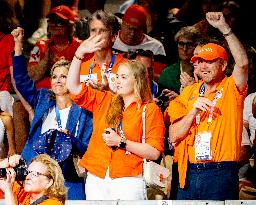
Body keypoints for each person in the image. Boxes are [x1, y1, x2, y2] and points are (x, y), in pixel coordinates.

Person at [168, 12, 248, 200]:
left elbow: (243, 64)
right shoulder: (188, 93)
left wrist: (224, 29)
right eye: (200, 61)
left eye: (209, 61)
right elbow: (174, 135)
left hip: (220, 172)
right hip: (188, 171)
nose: (203, 66)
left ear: (223, 64)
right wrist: (193, 111)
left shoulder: (231, 87)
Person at [67, 45, 165, 199]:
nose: (118, 81)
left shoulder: (150, 110)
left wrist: (121, 142)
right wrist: (78, 54)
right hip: (96, 176)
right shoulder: (105, 99)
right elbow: (73, 87)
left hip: (128, 179)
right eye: (117, 76)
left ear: (138, 81)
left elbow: (154, 152)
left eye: (124, 77)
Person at [11, 27, 93, 200]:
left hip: (66, 176)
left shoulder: (84, 111)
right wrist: (18, 46)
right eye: (55, 76)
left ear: (72, 79)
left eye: (64, 76)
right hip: (36, 172)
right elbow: (21, 81)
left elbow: (86, 148)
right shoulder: (43, 99)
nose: (58, 80)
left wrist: (70, 139)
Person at [78, 10, 125, 92]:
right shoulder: (80, 67)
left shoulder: (126, 67)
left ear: (114, 36)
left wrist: (108, 91)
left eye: (102, 30)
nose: (97, 34)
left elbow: (131, 102)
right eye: (93, 30)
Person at [0, 154, 66, 205]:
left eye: (35, 174)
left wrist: (8, 191)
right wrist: (6, 162)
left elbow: (7, 190)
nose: (27, 177)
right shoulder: (23, 193)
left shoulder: (54, 203)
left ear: (49, 182)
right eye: (28, 172)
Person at [158, 26, 201, 103]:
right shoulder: (168, 73)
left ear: (197, 46)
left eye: (189, 44)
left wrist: (179, 98)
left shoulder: (203, 71)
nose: (185, 49)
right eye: (181, 44)